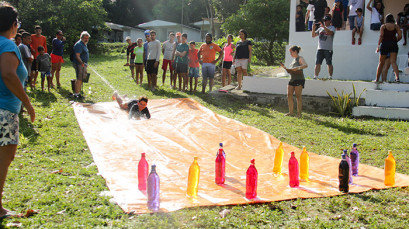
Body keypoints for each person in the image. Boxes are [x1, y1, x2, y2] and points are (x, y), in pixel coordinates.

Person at [0, 2, 35, 219]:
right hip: (4, 111)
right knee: (4, 158)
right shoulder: (7, 45)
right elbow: (9, 75)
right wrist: (28, 104)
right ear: (14, 24)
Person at [280, 46, 308, 117]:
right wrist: (285, 68)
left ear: (295, 51)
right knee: (289, 95)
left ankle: (299, 114)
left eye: (291, 52)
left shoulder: (300, 58)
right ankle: (291, 112)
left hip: (299, 79)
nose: (290, 54)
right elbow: (292, 70)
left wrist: (298, 67)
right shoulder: (293, 60)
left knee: (298, 96)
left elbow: (305, 65)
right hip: (292, 79)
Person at [375, 14, 402, 83]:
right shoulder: (396, 26)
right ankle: (397, 78)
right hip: (393, 44)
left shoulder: (383, 26)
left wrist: (378, 46)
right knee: (393, 62)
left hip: (385, 44)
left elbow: (381, 36)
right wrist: (396, 40)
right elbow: (400, 35)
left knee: (381, 63)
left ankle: (377, 79)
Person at [312, 15, 335, 80]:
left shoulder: (332, 27)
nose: (325, 22)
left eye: (326, 20)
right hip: (320, 48)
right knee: (317, 63)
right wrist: (313, 28)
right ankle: (315, 76)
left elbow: (330, 33)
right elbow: (313, 35)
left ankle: (330, 76)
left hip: (328, 49)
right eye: (324, 21)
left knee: (329, 63)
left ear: (329, 21)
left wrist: (324, 27)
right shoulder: (320, 29)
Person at [72, 31, 90, 99]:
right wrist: (82, 63)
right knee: (79, 78)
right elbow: (77, 56)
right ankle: (77, 94)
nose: (86, 40)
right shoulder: (79, 44)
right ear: (81, 37)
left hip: (83, 64)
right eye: (85, 38)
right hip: (78, 64)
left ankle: (78, 92)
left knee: (81, 78)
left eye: (87, 38)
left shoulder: (84, 44)